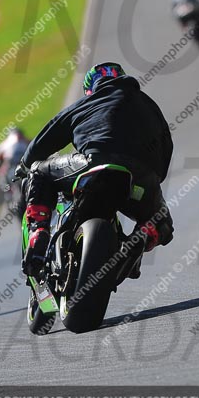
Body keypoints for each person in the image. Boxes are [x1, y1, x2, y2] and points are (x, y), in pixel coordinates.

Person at [17, 62, 174, 276]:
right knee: (162, 222)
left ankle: (39, 233)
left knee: (39, 170)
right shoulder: (150, 105)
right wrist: (151, 179)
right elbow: (166, 150)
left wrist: (25, 165)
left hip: (93, 163)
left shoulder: (86, 103)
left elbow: (40, 145)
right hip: (141, 178)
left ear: (90, 88)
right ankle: (138, 242)